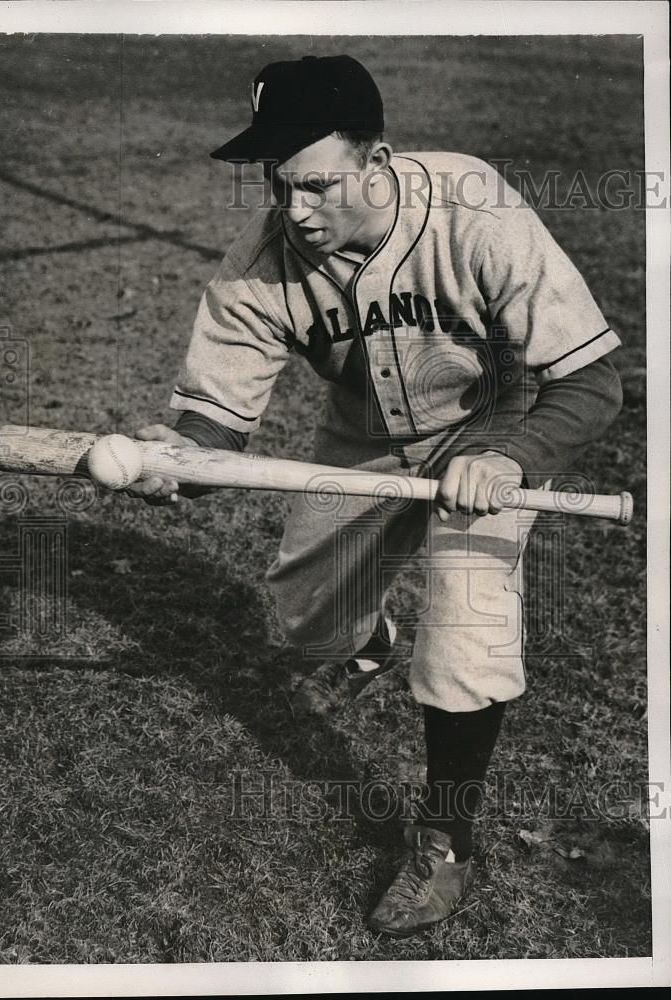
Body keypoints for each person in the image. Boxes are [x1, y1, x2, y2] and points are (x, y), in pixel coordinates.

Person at [127, 54, 623, 937]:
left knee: (466, 630)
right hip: (363, 440)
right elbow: (214, 430)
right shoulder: (262, 262)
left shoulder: (477, 211)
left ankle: (445, 839)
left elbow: (594, 384)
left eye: (316, 185)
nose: (295, 210)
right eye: (278, 186)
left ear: (379, 161)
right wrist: (181, 460)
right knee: (306, 619)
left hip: (495, 426)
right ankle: (372, 632)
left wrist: (508, 456)